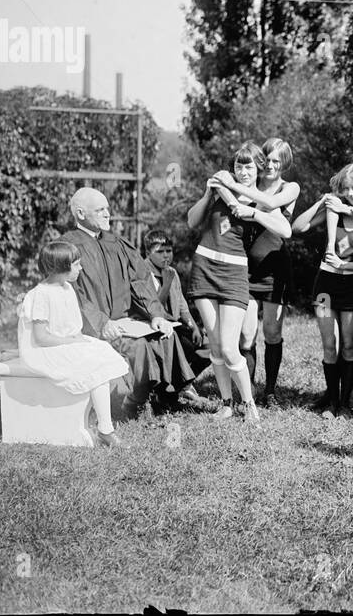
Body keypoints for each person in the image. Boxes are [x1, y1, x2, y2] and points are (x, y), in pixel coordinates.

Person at [62, 187, 199, 418]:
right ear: (81, 213)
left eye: (107, 208)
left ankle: (163, 399)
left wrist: (156, 314)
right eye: (100, 210)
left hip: (127, 322)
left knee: (165, 336)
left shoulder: (118, 244)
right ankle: (131, 405)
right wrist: (102, 323)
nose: (108, 214)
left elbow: (140, 282)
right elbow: (72, 293)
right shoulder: (67, 247)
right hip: (93, 327)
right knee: (140, 347)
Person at [186, 142, 293, 426]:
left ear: (259, 169)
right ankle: (226, 404)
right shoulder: (220, 186)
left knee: (232, 347)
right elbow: (192, 221)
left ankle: (250, 407)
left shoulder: (262, 200)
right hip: (205, 266)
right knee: (217, 345)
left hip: (235, 274)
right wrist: (211, 192)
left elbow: (286, 230)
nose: (243, 171)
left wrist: (252, 212)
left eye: (249, 166)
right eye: (238, 166)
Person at [17, 240, 134, 448]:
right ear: (62, 267)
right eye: (77, 264)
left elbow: (70, 327)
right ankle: (105, 430)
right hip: (43, 350)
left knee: (101, 353)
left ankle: (101, 425)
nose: (81, 268)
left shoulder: (67, 289)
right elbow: (41, 337)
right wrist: (72, 342)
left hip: (64, 343)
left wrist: (77, 340)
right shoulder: (41, 295)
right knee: (94, 362)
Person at [292, 162, 353, 418]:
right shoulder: (334, 211)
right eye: (347, 188)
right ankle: (331, 402)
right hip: (325, 287)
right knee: (329, 345)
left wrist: (345, 265)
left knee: (349, 346)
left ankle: (344, 404)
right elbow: (297, 228)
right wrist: (321, 202)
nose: (352, 193)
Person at [227, 138, 300, 404]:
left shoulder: (289, 188)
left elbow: (272, 204)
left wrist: (245, 198)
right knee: (246, 334)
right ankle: (249, 391)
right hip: (245, 268)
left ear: (284, 164)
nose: (270, 165)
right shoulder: (251, 182)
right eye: (266, 159)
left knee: (272, 331)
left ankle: (270, 390)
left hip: (274, 269)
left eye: (276, 161)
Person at [142, 229, 216, 412]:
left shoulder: (171, 272)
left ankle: (180, 386)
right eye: (160, 252)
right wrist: (165, 283)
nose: (166, 255)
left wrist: (193, 326)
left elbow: (181, 302)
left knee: (209, 347)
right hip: (155, 327)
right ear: (147, 253)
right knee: (173, 342)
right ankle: (171, 392)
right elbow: (152, 308)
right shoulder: (143, 272)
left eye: (169, 251)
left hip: (177, 325)